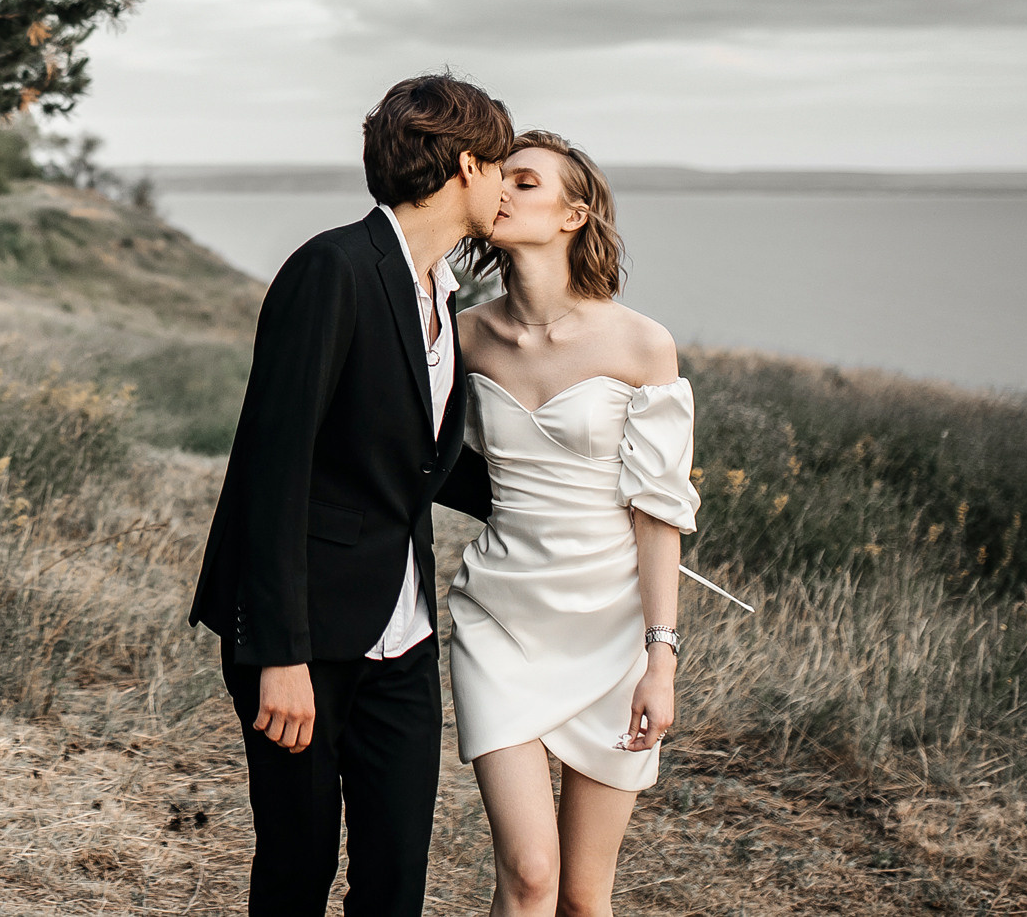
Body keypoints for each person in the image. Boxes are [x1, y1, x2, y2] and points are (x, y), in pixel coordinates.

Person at [188, 74, 515, 917]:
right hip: (306, 636)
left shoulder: (444, 290)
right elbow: (272, 467)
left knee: (395, 872)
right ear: (467, 165)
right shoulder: (332, 268)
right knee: (299, 865)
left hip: (402, 632)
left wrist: (563, 495)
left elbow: (419, 459)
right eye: (504, 167)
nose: (509, 185)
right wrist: (279, 655)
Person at [448, 130, 701, 917]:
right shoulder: (464, 334)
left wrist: (661, 660)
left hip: (614, 628)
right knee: (527, 875)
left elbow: (659, 512)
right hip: (501, 617)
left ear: (574, 213)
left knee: (586, 898)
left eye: (526, 181)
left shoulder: (640, 342)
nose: (504, 191)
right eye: (500, 179)